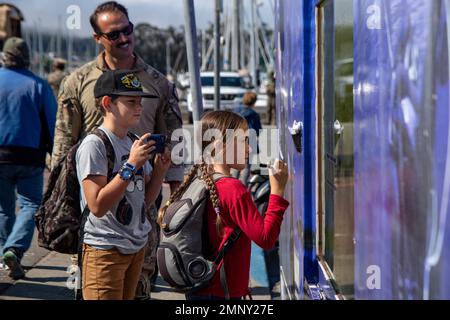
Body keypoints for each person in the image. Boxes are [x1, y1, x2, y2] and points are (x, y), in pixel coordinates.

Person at [51, 1, 183, 299]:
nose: (124, 38)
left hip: (141, 216)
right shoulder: (77, 83)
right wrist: (62, 209)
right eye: (114, 34)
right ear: (97, 38)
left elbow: (175, 143)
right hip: (97, 219)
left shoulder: (158, 84)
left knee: (140, 292)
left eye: (128, 30)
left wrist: (173, 201)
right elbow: (62, 149)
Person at [159, 110, 289, 300]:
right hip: (222, 293)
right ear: (221, 146)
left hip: (202, 287)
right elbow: (266, 238)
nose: (249, 149)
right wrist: (277, 191)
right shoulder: (233, 188)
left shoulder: (200, 178)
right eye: (244, 140)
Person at [77, 69, 171, 300]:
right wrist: (130, 166)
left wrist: (159, 171)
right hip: (105, 248)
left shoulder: (132, 141)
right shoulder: (94, 145)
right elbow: (97, 206)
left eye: (140, 101)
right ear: (108, 103)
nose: (139, 107)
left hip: (135, 247)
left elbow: (144, 201)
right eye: (131, 101)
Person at [0, 37, 57, 279]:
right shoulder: (39, 85)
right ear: (27, 58)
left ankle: (5, 255)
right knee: (31, 204)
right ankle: (14, 248)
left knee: (3, 209)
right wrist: (55, 153)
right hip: (30, 156)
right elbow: (53, 123)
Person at [234, 91, 262, 184]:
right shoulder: (254, 115)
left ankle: (233, 183)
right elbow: (258, 130)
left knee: (236, 165)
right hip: (250, 141)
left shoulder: (236, 111)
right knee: (246, 166)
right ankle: (243, 186)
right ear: (254, 102)